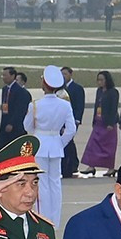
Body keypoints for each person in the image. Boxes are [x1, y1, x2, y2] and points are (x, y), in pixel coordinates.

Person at [29, 66, 78, 224]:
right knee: (55, 183)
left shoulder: (36, 104)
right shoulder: (65, 104)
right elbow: (71, 129)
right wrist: (59, 142)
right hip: (56, 145)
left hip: (40, 145)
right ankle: (54, 220)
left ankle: (43, 218)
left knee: (42, 183)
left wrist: (39, 135)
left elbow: (27, 126)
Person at [80, 71, 118, 177]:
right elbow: (97, 106)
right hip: (98, 121)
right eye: (98, 80)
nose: (99, 82)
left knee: (108, 147)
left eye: (102, 80)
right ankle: (91, 166)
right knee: (93, 145)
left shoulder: (113, 92)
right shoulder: (99, 91)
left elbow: (113, 108)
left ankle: (110, 168)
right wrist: (94, 120)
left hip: (108, 124)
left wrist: (110, 123)